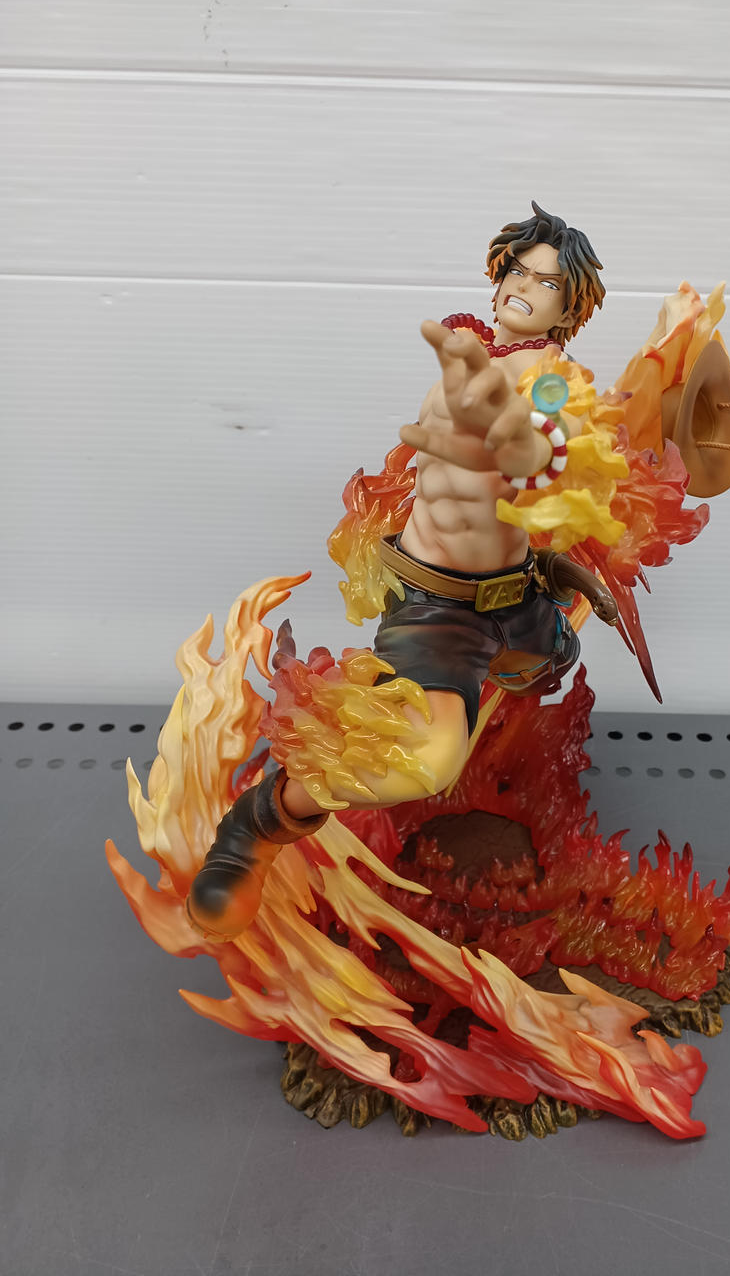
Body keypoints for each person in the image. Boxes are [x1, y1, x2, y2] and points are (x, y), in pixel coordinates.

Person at [186, 203, 609, 941]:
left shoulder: (554, 381)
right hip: (440, 605)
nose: (523, 285)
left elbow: (550, 449)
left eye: (546, 282)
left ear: (568, 309)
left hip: (518, 595)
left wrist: (541, 477)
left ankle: (506, 700)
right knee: (425, 762)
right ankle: (256, 823)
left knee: (552, 657)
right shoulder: (469, 356)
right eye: (517, 270)